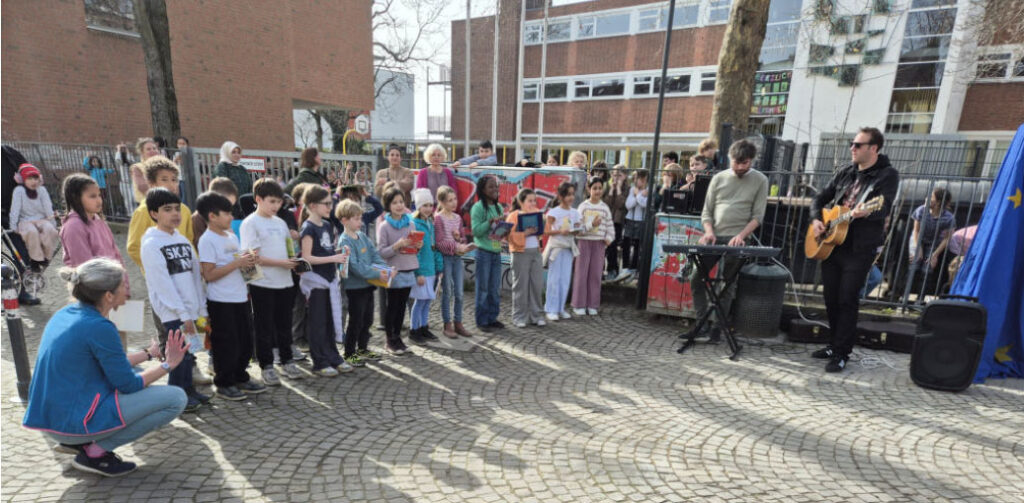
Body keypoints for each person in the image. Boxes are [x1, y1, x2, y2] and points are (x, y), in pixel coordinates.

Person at [22, 258, 189, 477]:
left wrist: (148, 354)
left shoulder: (67, 313)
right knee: (175, 398)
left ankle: (82, 444)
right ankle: (95, 453)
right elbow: (128, 384)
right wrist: (169, 365)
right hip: (69, 425)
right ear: (108, 296)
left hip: (53, 419)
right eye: (122, 285)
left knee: (140, 373)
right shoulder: (99, 326)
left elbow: (109, 362)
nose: (127, 289)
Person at [809, 127, 899, 373]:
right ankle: (833, 343)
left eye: (858, 145)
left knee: (847, 298)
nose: (852, 148)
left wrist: (866, 212)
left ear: (873, 148)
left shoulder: (887, 175)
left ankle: (841, 352)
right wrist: (817, 220)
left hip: (860, 248)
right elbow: (819, 198)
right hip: (832, 244)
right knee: (830, 297)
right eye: (852, 144)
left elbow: (884, 207)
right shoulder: (846, 172)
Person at [692, 139, 769, 342]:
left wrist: (741, 236)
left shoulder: (760, 180)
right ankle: (701, 324)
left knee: (728, 285)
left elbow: (757, 216)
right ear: (730, 158)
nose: (741, 167)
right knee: (695, 278)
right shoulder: (719, 178)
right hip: (714, 237)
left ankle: (718, 328)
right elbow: (707, 211)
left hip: (739, 240)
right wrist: (708, 231)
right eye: (737, 162)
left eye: (746, 163)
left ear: (752, 160)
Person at [140, 188, 209, 412]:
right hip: (172, 311)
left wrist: (200, 306)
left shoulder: (183, 240)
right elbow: (163, 284)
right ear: (153, 213)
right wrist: (182, 313)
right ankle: (175, 395)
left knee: (188, 353)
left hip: (189, 308)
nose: (175, 214)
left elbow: (195, 275)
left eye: (177, 209)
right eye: (167, 209)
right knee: (178, 354)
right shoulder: (151, 244)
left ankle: (188, 390)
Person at [194, 192, 267, 400]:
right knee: (226, 342)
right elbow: (209, 274)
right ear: (212, 216)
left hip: (240, 297)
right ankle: (224, 381)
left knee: (245, 341)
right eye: (227, 213)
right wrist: (236, 263)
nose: (231, 217)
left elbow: (240, 266)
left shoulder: (232, 236)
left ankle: (240, 376)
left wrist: (249, 263)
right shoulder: (207, 240)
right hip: (221, 301)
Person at [239, 178, 303, 386]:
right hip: (262, 284)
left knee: (284, 324)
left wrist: (294, 263)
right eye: (272, 201)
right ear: (258, 199)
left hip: (285, 281)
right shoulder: (250, 223)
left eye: (279, 202)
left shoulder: (281, 222)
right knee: (264, 326)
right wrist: (282, 263)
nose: (276, 206)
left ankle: (287, 360)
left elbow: (289, 247)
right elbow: (252, 258)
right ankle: (266, 365)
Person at [297, 185, 353, 377]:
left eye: (331, 203)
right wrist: (333, 259)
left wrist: (339, 253)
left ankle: (333, 356)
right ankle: (319, 361)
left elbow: (326, 250)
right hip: (316, 283)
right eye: (326, 204)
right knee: (318, 323)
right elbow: (307, 258)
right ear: (313, 205)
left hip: (329, 280)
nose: (330, 207)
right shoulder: (308, 228)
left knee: (329, 321)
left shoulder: (327, 225)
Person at [337, 199, 388, 366]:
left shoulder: (363, 236)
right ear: (344, 220)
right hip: (354, 288)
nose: (360, 222)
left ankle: (363, 348)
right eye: (356, 218)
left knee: (368, 319)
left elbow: (374, 255)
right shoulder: (345, 241)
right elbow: (355, 267)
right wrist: (376, 273)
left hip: (368, 285)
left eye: (360, 218)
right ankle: (349, 352)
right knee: (356, 320)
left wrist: (384, 269)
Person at [127, 156, 194, 269]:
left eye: (174, 180)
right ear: (152, 183)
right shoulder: (144, 211)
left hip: (184, 271)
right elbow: (134, 247)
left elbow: (189, 240)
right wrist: (155, 266)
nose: (171, 184)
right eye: (164, 179)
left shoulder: (184, 210)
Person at [376, 187, 420, 354]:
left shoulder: (411, 223)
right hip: (394, 272)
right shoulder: (384, 226)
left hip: (408, 268)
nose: (399, 205)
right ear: (388, 205)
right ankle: (389, 340)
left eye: (401, 202)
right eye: (394, 202)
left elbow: (414, 249)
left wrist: (417, 246)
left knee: (402, 306)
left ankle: (398, 338)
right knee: (392, 306)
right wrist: (397, 246)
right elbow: (381, 252)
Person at [903, 187, 955, 305]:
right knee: (914, 265)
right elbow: (916, 231)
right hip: (917, 239)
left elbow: (947, 238)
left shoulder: (948, 217)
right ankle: (904, 297)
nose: (927, 199)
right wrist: (918, 248)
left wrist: (935, 255)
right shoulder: (921, 210)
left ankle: (920, 299)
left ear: (938, 202)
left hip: (934, 243)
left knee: (927, 269)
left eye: (931, 197)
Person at [434, 185, 474, 337]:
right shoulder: (438, 218)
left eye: (454, 199)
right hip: (446, 258)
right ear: (442, 202)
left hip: (457, 258)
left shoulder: (457, 218)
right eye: (449, 200)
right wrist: (455, 246)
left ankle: (458, 322)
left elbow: (463, 238)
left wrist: (460, 240)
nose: (453, 203)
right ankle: (447, 324)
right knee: (448, 291)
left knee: (459, 292)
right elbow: (439, 242)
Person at [572, 177, 615, 316]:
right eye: (594, 188)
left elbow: (610, 227)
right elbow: (577, 228)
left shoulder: (604, 208)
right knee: (581, 274)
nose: (597, 191)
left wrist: (608, 238)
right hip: (584, 243)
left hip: (599, 245)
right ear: (588, 189)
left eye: (599, 188)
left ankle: (593, 304)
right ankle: (579, 304)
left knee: (595, 274)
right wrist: (591, 225)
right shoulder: (583, 207)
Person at [470, 175, 506, 332]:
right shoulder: (478, 208)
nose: (495, 190)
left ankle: (492, 318)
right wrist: (489, 223)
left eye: (496, 186)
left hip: (496, 251)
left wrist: (503, 230)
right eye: (491, 187)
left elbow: (499, 233)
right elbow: (476, 231)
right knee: (483, 288)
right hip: (483, 252)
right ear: (483, 190)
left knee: (494, 288)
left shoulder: (499, 208)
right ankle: (482, 320)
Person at [506, 188, 546, 328]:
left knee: (536, 284)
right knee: (521, 286)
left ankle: (537, 315)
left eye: (534, 200)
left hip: (535, 252)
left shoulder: (537, 212)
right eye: (530, 200)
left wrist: (541, 226)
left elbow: (542, 232)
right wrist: (525, 233)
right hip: (519, 253)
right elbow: (509, 237)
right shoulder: (513, 216)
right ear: (521, 202)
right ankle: (519, 316)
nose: (533, 203)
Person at [409, 188, 444, 343]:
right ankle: (413, 329)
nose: (429, 209)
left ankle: (424, 327)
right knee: (419, 301)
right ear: (418, 207)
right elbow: (413, 252)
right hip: (422, 271)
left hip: (431, 270)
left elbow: (434, 247)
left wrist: (439, 267)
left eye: (431, 205)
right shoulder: (414, 224)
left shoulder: (430, 223)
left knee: (427, 300)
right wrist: (418, 273)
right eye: (425, 205)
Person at [543, 182, 581, 320]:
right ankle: (550, 309)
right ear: (561, 196)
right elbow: (547, 231)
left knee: (565, 279)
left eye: (572, 194)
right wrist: (560, 231)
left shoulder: (575, 212)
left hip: (569, 248)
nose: (571, 197)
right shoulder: (554, 212)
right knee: (554, 279)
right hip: (557, 249)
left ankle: (560, 308)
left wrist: (577, 230)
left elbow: (577, 230)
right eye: (568, 194)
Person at [10, 163, 58, 269]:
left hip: (41, 219)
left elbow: (47, 207)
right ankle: (35, 260)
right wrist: (13, 225)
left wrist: (53, 223)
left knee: (50, 230)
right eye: (30, 178)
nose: (34, 182)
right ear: (23, 179)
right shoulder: (19, 191)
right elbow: (15, 209)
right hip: (25, 220)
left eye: (36, 178)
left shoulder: (42, 190)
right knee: (32, 232)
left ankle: (46, 256)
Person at [191, 177, 239, 246]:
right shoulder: (198, 219)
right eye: (225, 204)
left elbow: (233, 250)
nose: (228, 209)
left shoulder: (225, 217)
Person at [621, 170, 649, 278]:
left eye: (642, 179)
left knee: (638, 245)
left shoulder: (648, 190)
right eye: (637, 179)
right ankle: (625, 267)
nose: (640, 181)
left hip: (641, 220)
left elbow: (644, 204)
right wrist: (639, 195)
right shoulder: (632, 189)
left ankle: (634, 268)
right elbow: (628, 205)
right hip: (630, 219)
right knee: (626, 244)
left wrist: (638, 196)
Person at [603, 165, 629, 280]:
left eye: (619, 175)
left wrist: (618, 189)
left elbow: (621, 205)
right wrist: (611, 190)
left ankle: (613, 269)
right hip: (606, 220)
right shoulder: (607, 186)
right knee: (608, 246)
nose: (616, 178)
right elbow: (606, 204)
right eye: (614, 175)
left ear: (625, 176)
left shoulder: (627, 188)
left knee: (613, 245)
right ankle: (610, 269)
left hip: (618, 221)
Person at [129, 137, 161, 204]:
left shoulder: (163, 165)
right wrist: (158, 198)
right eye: (148, 149)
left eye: (154, 148)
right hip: (147, 203)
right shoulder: (137, 167)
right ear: (142, 152)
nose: (152, 151)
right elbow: (142, 186)